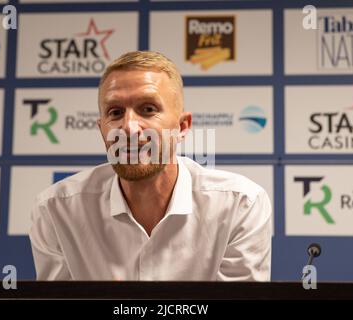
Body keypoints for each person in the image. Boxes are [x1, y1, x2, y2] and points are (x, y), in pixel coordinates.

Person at [29, 51, 272, 281]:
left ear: (183, 127)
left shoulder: (241, 204)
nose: (129, 127)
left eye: (148, 109)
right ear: (102, 129)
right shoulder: (55, 209)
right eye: (115, 113)